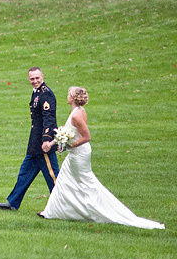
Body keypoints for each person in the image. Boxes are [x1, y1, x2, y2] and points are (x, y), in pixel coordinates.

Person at [38, 87, 164, 229]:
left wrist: (70, 145)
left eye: (69, 94)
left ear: (73, 98)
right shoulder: (78, 111)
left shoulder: (77, 115)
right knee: (64, 180)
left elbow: (86, 137)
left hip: (79, 154)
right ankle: (51, 211)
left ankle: (96, 210)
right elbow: (68, 133)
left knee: (85, 182)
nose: (67, 96)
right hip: (75, 153)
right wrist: (56, 144)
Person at [0, 67, 59, 211]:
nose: (35, 81)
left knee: (53, 177)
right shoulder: (37, 92)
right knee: (24, 174)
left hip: (43, 145)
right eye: (32, 79)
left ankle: (64, 205)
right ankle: (13, 203)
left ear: (42, 76)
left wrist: (47, 140)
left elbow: (49, 118)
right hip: (35, 144)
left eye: (37, 78)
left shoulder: (46, 94)